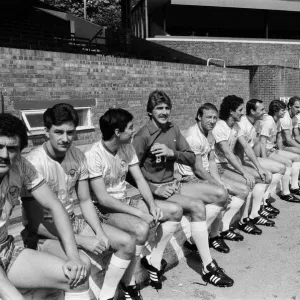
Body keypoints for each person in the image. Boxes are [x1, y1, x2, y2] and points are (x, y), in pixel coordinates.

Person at [21, 103, 136, 300]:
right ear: (46, 131)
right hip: (43, 232)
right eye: (59, 132)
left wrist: (99, 233)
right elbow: (34, 222)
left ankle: (107, 296)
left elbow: (84, 200)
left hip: (72, 221)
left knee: (128, 242)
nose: (65, 138)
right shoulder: (33, 163)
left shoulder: (78, 156)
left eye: (70, 132)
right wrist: (83, 241)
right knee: (81, 266)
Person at [133, 90, 234, 288]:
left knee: (221, 194)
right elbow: (130, 172)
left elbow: (189, 158)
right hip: (155, 190)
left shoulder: (173, 129)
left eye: (167, 108)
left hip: (174, 184)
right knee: (197, 207)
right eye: (159, 108)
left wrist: (173, 153)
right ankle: (208, 266)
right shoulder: (142, 136)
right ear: (149, 112)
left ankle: (195, 237)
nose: (164, 112)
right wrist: (154, 188)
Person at [86, 108, 183, 293]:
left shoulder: (126, 147)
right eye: (130, 128)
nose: (133, 131)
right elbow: (103, 199)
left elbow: (139, 179)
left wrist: (152, 205)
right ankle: (129, 283)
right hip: (104, 210)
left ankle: (153, 260)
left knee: (175, 210)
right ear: (117, 132)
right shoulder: (94, 155)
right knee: (141, 228)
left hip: (125, 201)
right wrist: (140, 213)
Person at [0, 113, 90, 300]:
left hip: (5, 250)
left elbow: (55, 206)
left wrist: (73, 256)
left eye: (11, 148)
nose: (3, 155)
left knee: (77, 275)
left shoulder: (21, 166)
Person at [177, 103, 249, 250]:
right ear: (198, 117)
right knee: (221, 195)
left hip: (205, 174)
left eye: (215, 118)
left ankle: (215, 234)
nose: (212, 121)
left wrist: (219, 182)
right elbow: (197, 168)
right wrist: (216, 185)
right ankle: (196, 239)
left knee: (238, 190)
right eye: (208, 117)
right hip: (189, 177)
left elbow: (211, 162)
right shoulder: (193, 136)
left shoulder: (209, 132)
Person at [211, 95, 273, 235]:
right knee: (247, 183)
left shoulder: (237, 126)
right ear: (231, 111)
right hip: (218, 168)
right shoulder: (220, 127)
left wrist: (259, 167)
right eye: (239, 110)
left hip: (228, 165)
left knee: (262, 177)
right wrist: (245, 172)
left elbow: (246, 146)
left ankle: (251, 216)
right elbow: (227, 153)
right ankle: (228, 225)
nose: (242, 112)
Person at [237, 99, 286, 216]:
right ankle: (255, 213)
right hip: (241, 160)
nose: (265, 112)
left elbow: (256, 144)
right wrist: (258, 165)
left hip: (250, 158)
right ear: (253, 111)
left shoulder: (255, 123)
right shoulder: (242, 124)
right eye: (262, 109)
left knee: (281, 168)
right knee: (266, 175)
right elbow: (241, 149)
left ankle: (263, 202)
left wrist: (261, 160)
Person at [259, 100, 300, 203]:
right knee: (287, 163)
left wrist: (281, 152)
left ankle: (294, 187)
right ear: (276, 111)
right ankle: (285, 193)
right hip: (266, 151)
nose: (284, 112)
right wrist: (264, 160)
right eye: (282, 110)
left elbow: (278, 138)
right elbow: (262, 142)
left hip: (273, 149)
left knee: (295, 158)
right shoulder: (268, 121)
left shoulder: (276, 120)